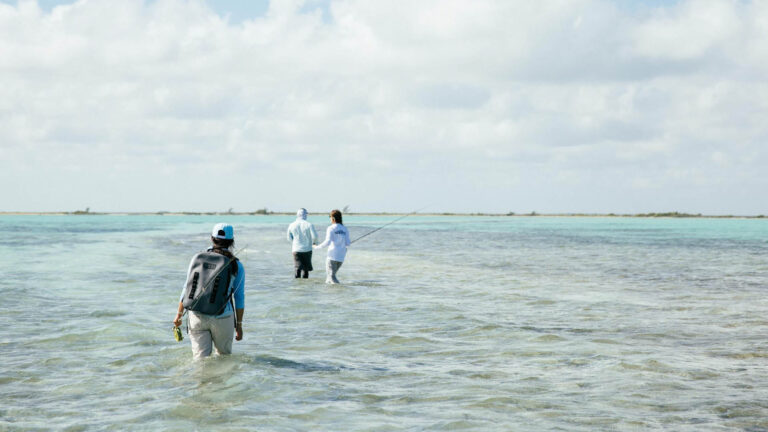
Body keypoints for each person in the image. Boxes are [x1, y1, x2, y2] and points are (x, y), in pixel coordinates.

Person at [173, 223, 245, 360]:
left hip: (196, 315)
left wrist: (179, 315)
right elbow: (239, 297)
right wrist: (239, 325)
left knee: (200, 360)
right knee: (224, 359)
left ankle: (201, 381)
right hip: (223, 316)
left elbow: (186, 288)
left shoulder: (197, 258)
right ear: (232, 241)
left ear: (212, 238)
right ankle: (220, 382)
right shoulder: (236, 264)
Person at [314, 209, 351, 284]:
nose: (330, 219)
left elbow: (327, 242)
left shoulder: (330, 228)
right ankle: (329, 294)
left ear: (333, 218)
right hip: (341, 257)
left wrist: (316, 247)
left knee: (331, 277)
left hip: (332, 256)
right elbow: (348, 243)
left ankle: (341, 291)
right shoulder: (344, 228)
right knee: (329, 278)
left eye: (330, 217)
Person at [287, 208, 318, 278]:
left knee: (297, 268)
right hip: (307, 250)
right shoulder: (309, 225)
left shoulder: (291, 225)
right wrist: (314, 243)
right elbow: (315, 236)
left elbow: (289, 238)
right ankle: (305, 287)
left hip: (296, 249)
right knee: (306, 269)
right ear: (305, 215)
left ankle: (297, 286)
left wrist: (295, 242)